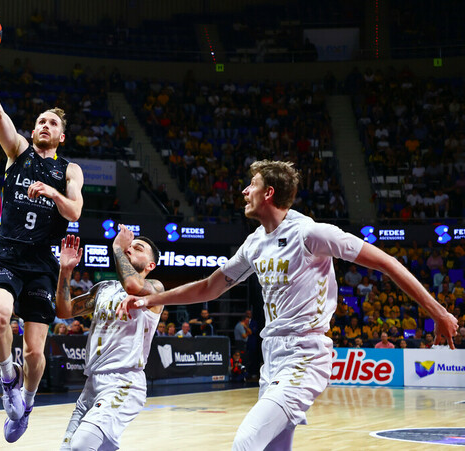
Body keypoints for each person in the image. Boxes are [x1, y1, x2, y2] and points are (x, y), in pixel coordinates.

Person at [116, 161, 459, 451]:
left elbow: (387, 262)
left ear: (268, 194)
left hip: (305, 355)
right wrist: (149, 299)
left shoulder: (311, 234)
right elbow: (209, 286)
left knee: (245, 443)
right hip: (273, 357)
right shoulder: (254, 243)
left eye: (251, 186)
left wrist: (438, 312)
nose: (244, 192)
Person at [0, 32, 85, 443]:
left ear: (62, 136)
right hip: (8, 256)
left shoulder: (69, 171)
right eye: (41, 121)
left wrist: (51, 192)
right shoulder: (18, 153)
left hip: (43, 264)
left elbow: (75, 212)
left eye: (53, 123)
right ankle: (7, 378)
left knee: (35, 350)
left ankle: (26, 402)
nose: (44, 125)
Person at [57, 231, 163, 450]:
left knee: (81, 445)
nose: (131, 247)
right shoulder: (103, 289)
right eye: (129, 245)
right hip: (92, 383)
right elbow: (64, 310)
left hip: (124, 382)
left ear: (150, 265)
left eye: (139, 248)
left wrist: (118, 247)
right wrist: (65, 271)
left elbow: (133, 286)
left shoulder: (155, 288)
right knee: (69, 448)